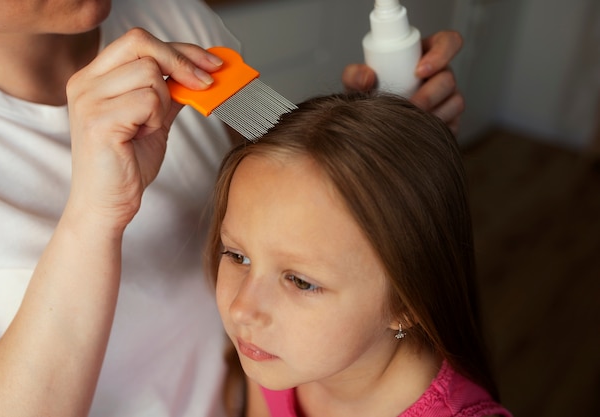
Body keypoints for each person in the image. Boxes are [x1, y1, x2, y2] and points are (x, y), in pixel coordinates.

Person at [0, 0, 464, 416]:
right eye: (237, 257)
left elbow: (290, 170)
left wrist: (384, 147)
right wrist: (95, 216)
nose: (241, 309)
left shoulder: (176, 20)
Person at [206, 93, 512, 417]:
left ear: (405, 304)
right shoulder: (272, 356)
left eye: (299, 281)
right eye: (238, 256)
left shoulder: (279, 346)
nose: (242, 309)